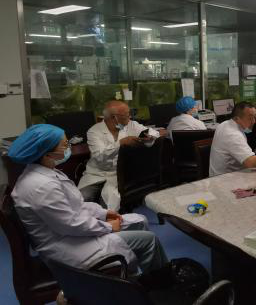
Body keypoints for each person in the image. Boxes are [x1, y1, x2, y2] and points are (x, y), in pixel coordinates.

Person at [8, 124, 168, 274]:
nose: (69, 148)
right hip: (68, 245)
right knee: (150, 240)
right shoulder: (41, 186)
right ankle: (160, 284)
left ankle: (135, 276)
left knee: (139, 220)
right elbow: (71, 224)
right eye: (65, 145)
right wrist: (108, 227)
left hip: (72, 233)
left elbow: (76, 205)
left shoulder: (46, 172)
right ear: (47, 154)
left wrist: (104, 213)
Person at [77, 101, 162, 211]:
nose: (130, 116)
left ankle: (109, 219)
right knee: (81, 200)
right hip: (97, 173)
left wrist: (149, 136)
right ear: (114, 117)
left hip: (119, 174)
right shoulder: (94, 131)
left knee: (107, 204)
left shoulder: (130, 125)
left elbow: (154, 132)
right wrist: (120, 143)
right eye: (126, 114)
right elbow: (99, 156)